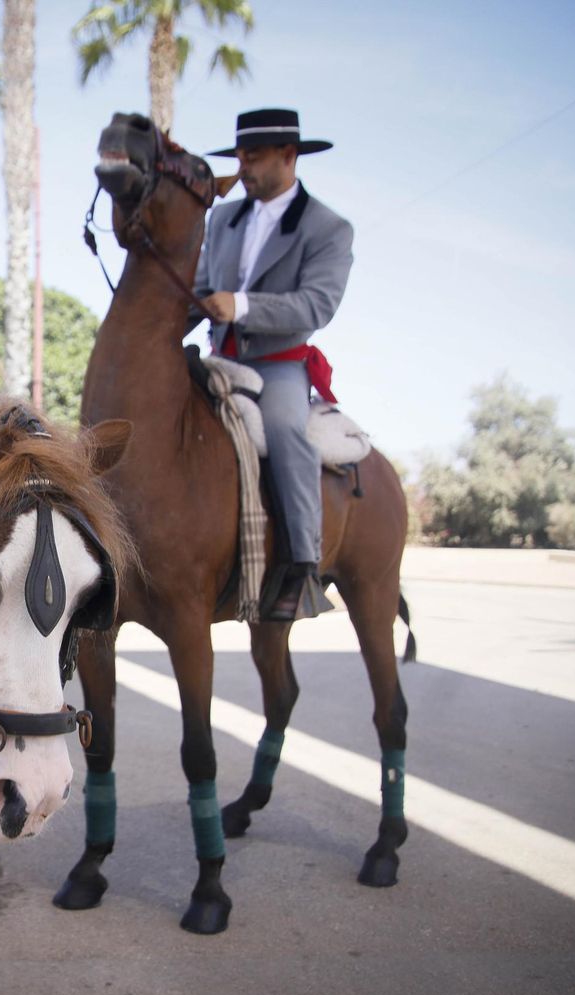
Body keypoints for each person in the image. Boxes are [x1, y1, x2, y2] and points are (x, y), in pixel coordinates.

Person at [190, 108, 353, 621]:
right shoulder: (222, 218)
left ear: (288, 156)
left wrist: (240, 306)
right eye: (238, 156)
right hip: (221, 358)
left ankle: (303, 567)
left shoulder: (327, 227)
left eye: (253, 157)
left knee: (286, 431)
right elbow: (197, 290)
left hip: (278, 364)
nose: (243, 167)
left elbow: (316, 306)